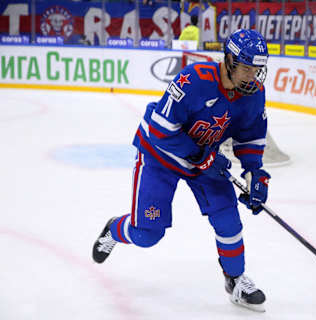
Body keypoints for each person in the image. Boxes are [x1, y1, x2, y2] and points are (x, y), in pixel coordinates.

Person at [92, 29, 271, 312]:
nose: (253, 76)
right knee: (146, 235)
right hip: (160, 156)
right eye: (247, 68)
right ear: (229, 61)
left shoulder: (253, 95)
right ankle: (115, 229)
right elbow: (161, 130)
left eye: (257, 69)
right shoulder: (194, 79)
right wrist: (201, 156)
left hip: (204, 162)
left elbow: (250, 137)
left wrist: (255, 174)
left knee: (228, 221)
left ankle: (235, 280)